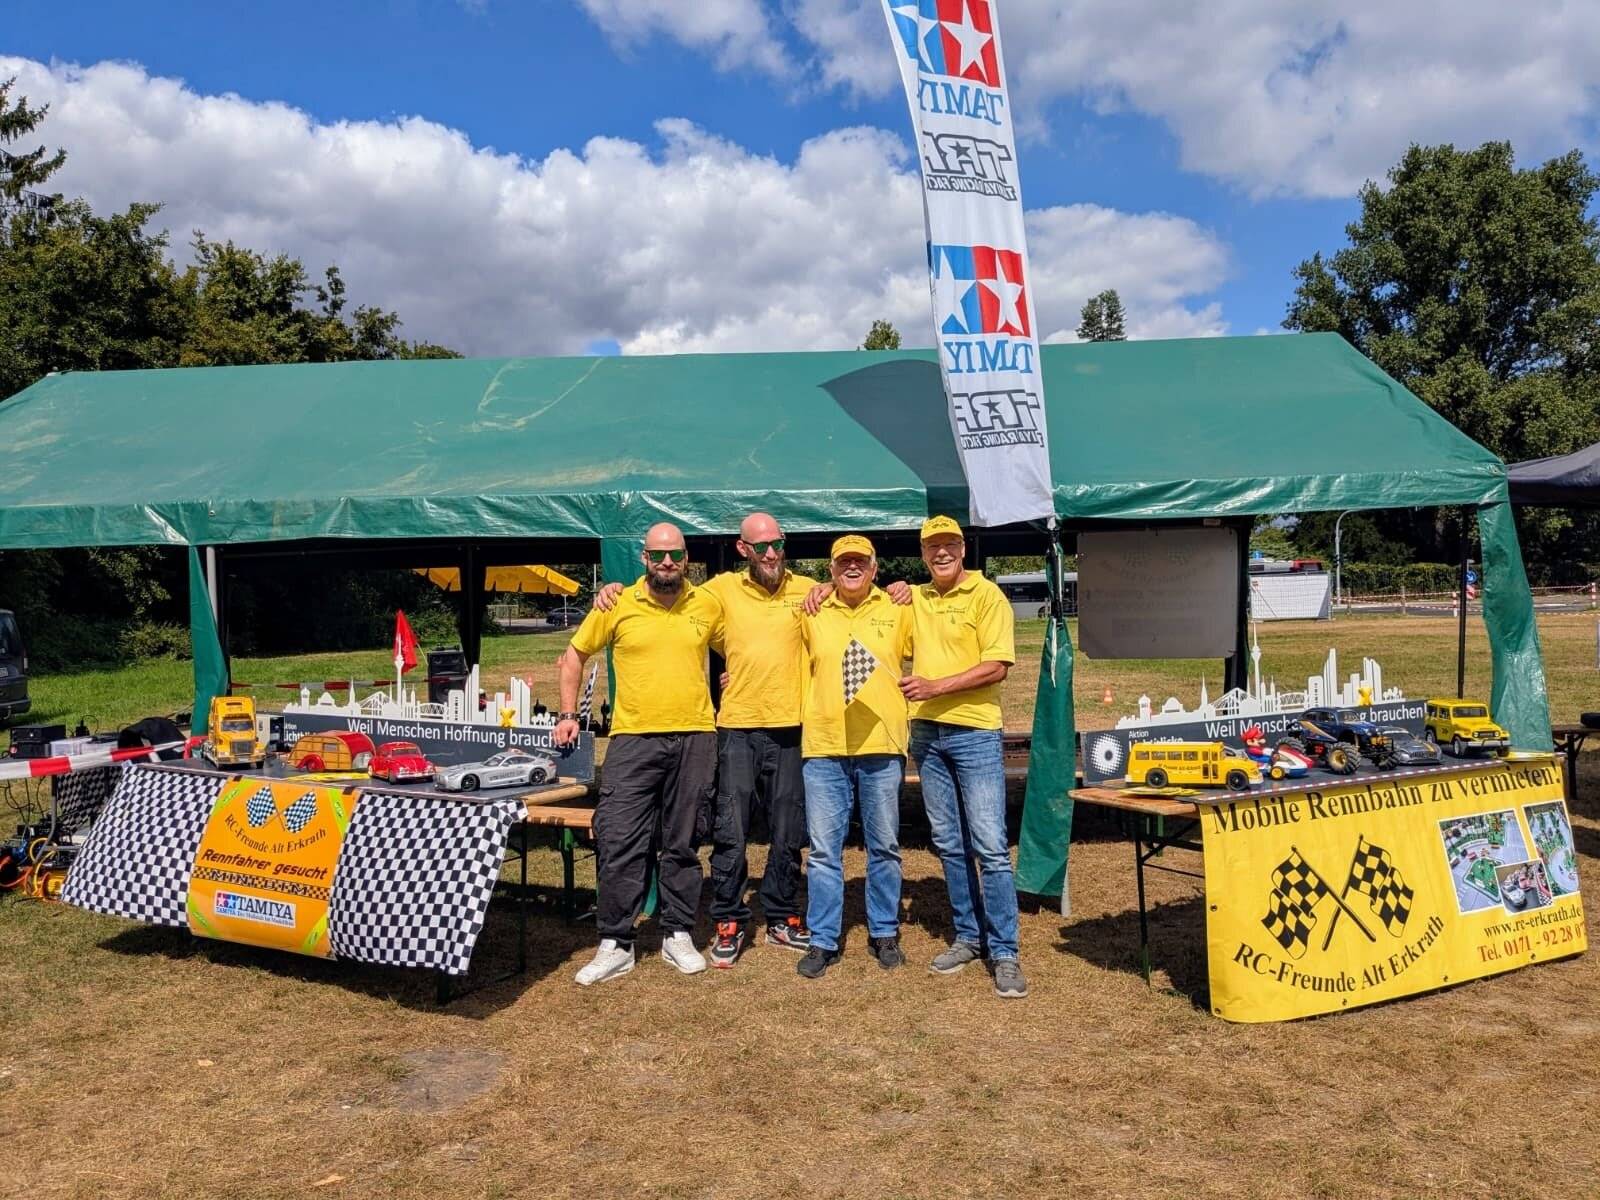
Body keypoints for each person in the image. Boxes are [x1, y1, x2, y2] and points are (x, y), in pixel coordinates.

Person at [594, 512, 813, 969]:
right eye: (761, 546)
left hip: (793, 724)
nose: (771, 553)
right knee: (729, 830)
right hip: (734, 725)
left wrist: (895, 588)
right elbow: (664, 587)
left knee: (789, 829)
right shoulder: (717, 590)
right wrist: (610, 589)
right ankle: (729, 920)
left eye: (777, 543)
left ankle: (781, 914)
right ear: (742, 549)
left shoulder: (809, 590)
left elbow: (852, 595)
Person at [554, 522, 723, 987]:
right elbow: (573, 656)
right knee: (619, 839)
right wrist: (569, 714)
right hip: (633, 739)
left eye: (676, 555)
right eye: (659, 555)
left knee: (683, 841)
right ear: (644, 559)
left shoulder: (706, 604)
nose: (668, 563)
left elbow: (741, 649)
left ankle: (677, 932)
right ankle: (616, 942)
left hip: (695, 736)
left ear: (687, 558)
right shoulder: (618, 602)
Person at [903, 516, 1027, 998]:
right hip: (927, 733)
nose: (941, 553)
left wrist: (936, 686)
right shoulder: (914, 597)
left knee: (990, 845)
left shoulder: (987, 596)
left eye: (949, 544)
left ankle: (1005, 951)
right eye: (932, 546)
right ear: (923, 553)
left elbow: (997, 666)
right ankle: (968, 937)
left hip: (974, 732)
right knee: (949, 843)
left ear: (962, 548)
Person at [794, 535, 914, 979]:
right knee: (825, 851)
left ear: (875, 567)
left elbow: (933, 638)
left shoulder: (899, 607)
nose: (852, 567)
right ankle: (823, 939)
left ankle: (884, 931)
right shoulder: (812, 610)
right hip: (824, 745)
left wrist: (911, 588)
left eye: (860, 561)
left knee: (884, 846)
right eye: (843, 561)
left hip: (881, 745)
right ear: (830, 570)